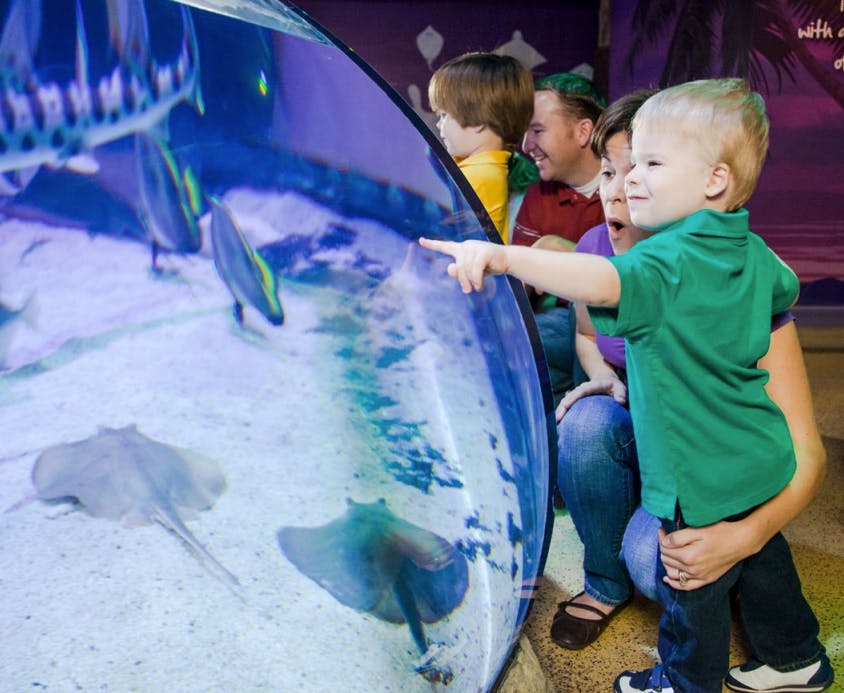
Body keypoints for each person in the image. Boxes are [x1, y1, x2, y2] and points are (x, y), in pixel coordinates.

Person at [419, 78, 833, 693]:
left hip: (696, 473)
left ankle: (683, 682)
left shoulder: (668, 261)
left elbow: (601, 280)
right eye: (628, 164)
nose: (632, 179)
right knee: (765, 561)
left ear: (713, 180)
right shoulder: (751, 251)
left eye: (652, 164)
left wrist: (502, 257)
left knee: (691, 584)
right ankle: (797, 658)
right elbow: (784, 286)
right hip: (756, 453)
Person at [548, 89, 829, 675]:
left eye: (648, 167)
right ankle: (603, 582)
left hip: (698, 455)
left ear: (705, 183)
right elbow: (583, 336)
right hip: (642, 434)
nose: (621, 189)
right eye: (609, 171)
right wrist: (603, 377)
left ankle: (691, 669)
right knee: (584, 423)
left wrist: (743, 536)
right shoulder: (594, 252)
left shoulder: (732, 270)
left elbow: (805, 450)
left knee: (666, 564)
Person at [513, 72, 607, 403]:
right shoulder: (538, 196)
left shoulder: (628, 191)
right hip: (553, 333)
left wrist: (566, 257)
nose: (526, 145)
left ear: (583, 131)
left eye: (537, 130)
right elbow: (520, 289)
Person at [427, 52, 533, 243]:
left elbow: (469, 241)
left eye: (444, 115)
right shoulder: (494, 165)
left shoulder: (479, 174)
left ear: (478, 121)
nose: (439, 124)